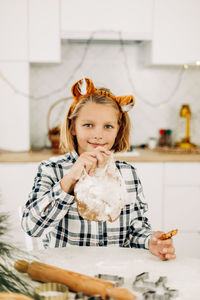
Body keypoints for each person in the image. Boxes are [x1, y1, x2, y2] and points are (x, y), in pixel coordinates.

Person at [22, 77, 176, 260]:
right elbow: (32, 227)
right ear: (73, 127)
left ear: (118, 130)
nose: (98, 135)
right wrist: (70, 179)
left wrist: (150, 241)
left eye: (108, 126)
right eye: (88, 125)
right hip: (65, 271)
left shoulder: (128, 174)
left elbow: (134, 229)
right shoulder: (52, 169)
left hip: (112, 271)